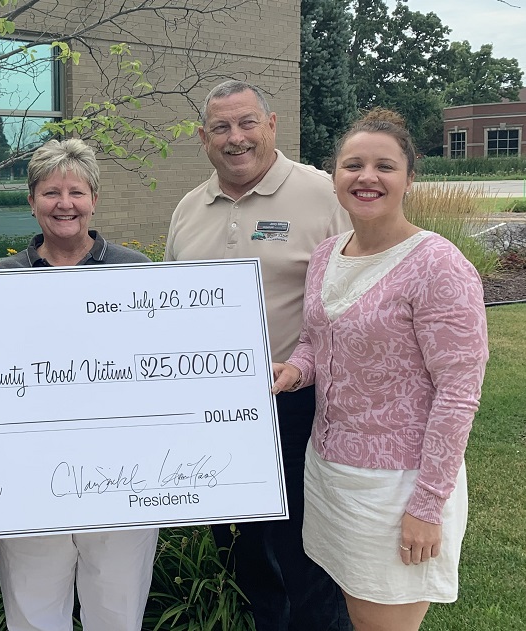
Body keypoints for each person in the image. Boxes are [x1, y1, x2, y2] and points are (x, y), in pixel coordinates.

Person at [272, 108, 488, 631]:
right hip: (330, 473)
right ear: (334, 176)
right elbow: (316, 341)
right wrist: (294, 371)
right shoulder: (328, 254)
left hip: (398, 485)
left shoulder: (438, 266)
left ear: (409, 178)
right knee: (354, 612)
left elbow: (458, 393)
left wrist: (427, 506)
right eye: (353, 165)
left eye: (384, 166)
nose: (366, 177)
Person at [163, 80, 353, 631]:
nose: (236, 138)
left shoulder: (323, 196)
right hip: (215, 412)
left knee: (308, 556)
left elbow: (358, 294)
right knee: (245, 553)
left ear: (271, 125)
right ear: (203, 138)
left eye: (247, 123)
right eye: (221, 127)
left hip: (298, 406)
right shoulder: (188, 209)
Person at [0, 138, 155, 631]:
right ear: (31, 201)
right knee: (33, 614)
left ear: (94, 200)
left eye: (76, 192)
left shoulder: (137, 272)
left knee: (117, 612)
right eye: (51, 192)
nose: (65, 204)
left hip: (121, 474)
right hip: (29, 475)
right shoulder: (0, 279)